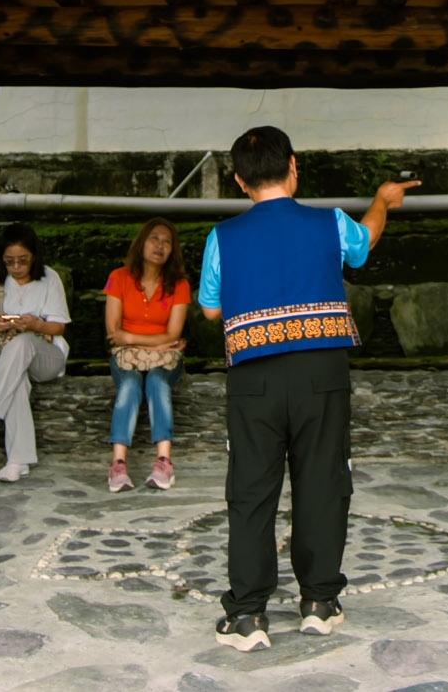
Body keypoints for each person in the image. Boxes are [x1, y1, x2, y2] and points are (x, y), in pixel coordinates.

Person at [196, 126, 416, 652]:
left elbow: (209, 309)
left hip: (253, 376)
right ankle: (319, 602)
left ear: (238, 182)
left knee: (251, 492)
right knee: (322, 482)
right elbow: (363, 246)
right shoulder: (331, 223)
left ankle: (248, 616)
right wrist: (383, 201)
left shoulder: (221, 237)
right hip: (322, 372)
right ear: (294, 166)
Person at [0, 224, 70, 483]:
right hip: (8, 360)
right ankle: (18, 460)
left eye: (23, 261)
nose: (17, 267)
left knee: (22, 344)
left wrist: (35, 325)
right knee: (16, 379)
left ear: (34, 256)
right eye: (10, 262)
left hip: (46, 356)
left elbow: (59, 326)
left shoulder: (49, 279)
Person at [104, 216, 191, 493]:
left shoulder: (179, 285)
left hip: (164, 360)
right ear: (141, 242)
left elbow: (174, 335)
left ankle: (164, 462)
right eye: (154, 238)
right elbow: (114, 332)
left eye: (167, 242)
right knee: (130, 383)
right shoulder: (118, 278)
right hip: (127, 357)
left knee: (156, 380)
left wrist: (132, 339)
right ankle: (118, 464)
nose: (160, 246)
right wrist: (150, 343)